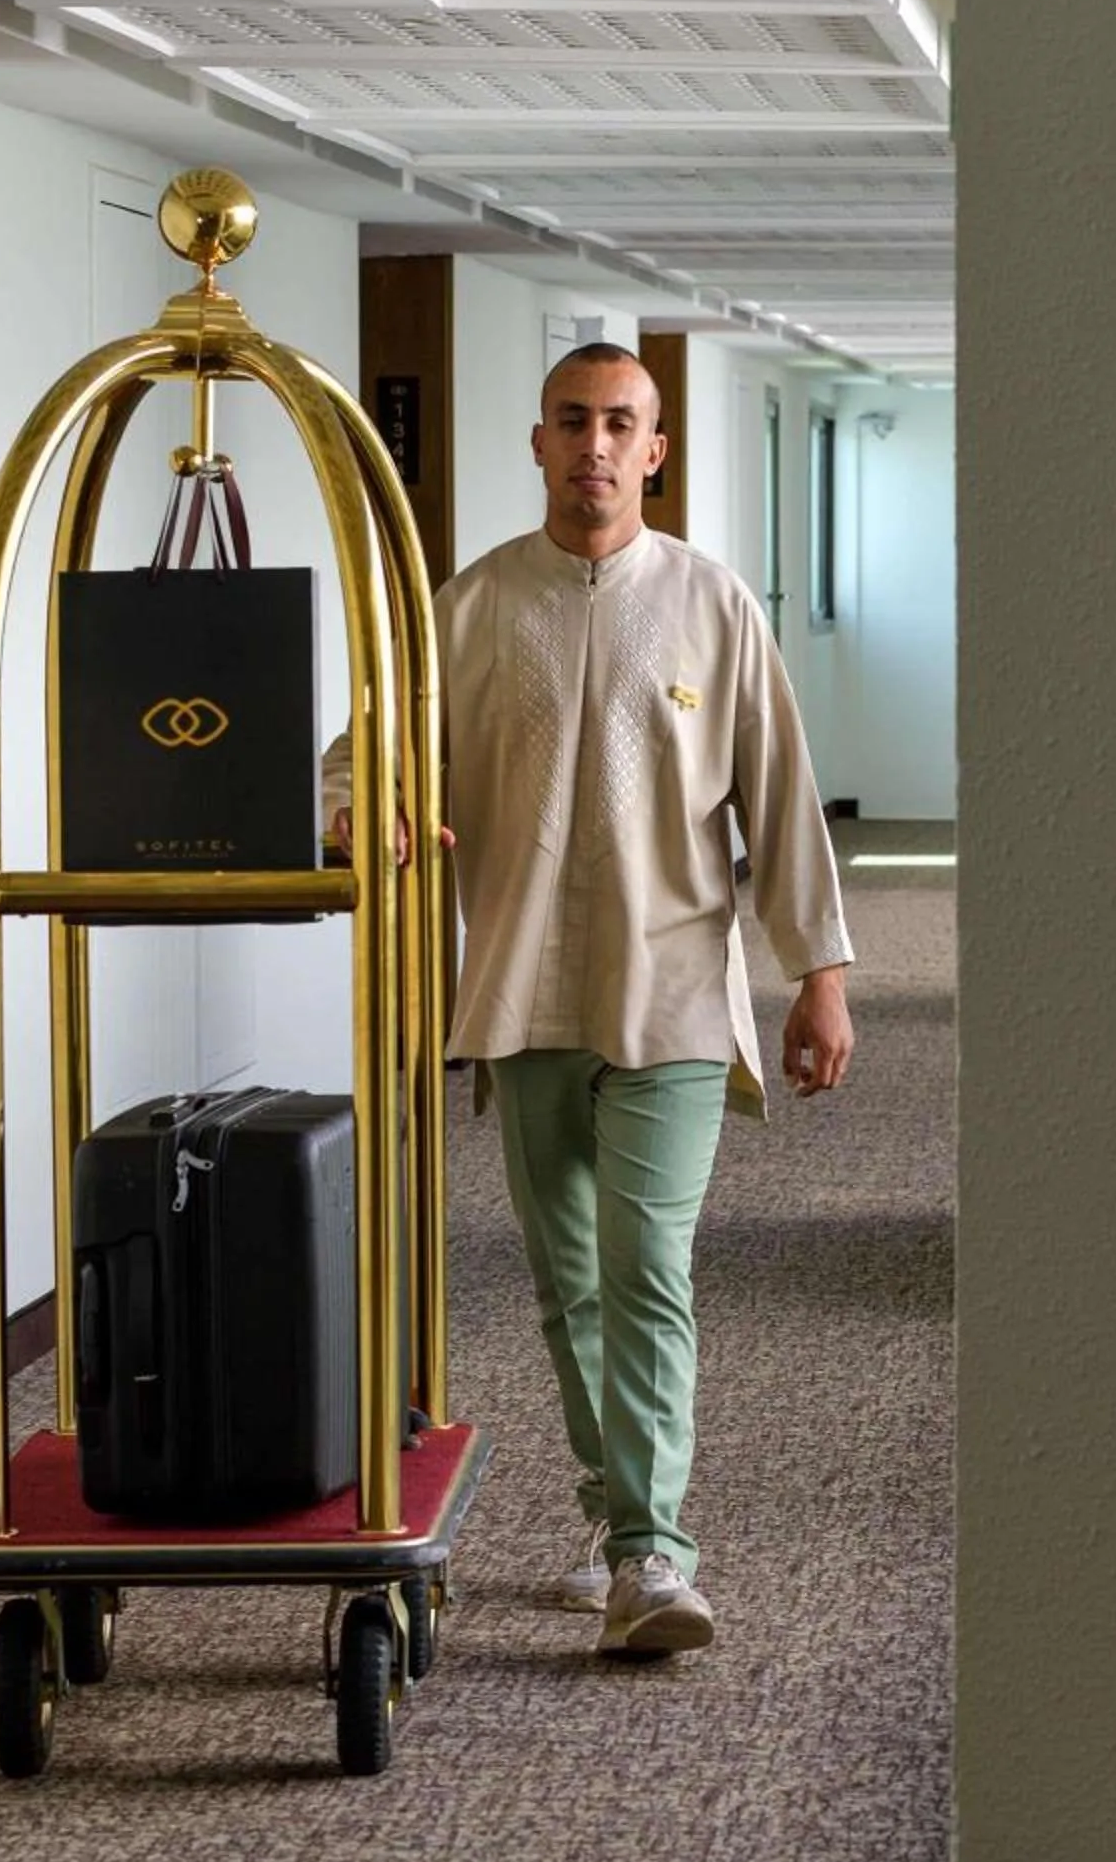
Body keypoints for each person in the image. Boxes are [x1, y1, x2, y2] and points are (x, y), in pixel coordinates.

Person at [323, 341, 853, 1658]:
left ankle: (651, 1553)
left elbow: (781, 797)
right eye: (575, 421)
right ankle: (612, 1507)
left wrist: (820, 973)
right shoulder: (478, 602)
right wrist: (364, 814)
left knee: (647, 1265)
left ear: (655, 449)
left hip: (675, 991)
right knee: (569, 1285)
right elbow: (366, 755)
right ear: (541, 439)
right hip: (525, 988)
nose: (597, 445)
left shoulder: (713, 604)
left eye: (623, 423)